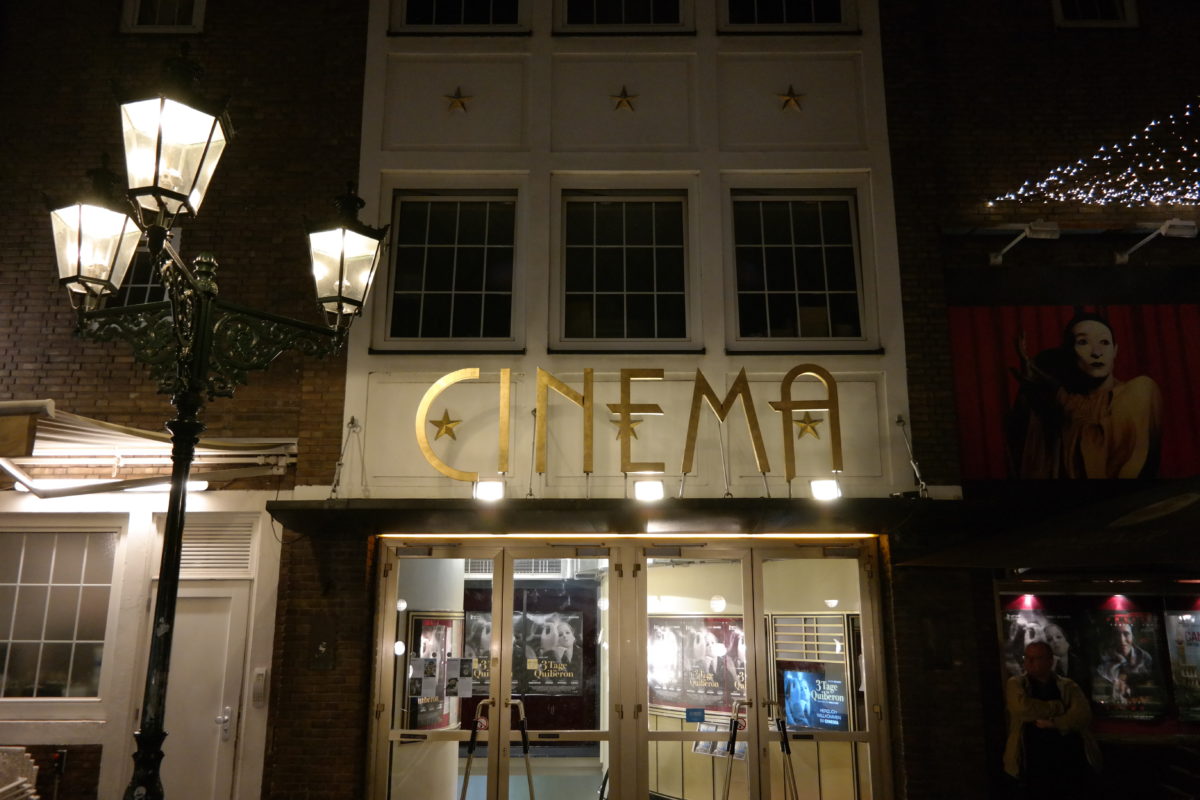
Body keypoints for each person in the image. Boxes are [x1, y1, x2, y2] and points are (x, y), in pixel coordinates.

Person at [1009, 312, 1161, 479]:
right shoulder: (1060, 403)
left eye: (1104, 342)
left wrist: (1056, 391)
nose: (1096, 352)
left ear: (1115, 350)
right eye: (1083, 342)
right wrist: (1029, 393)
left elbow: (1106, 453)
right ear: (1069, 352)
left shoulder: (1140, 390)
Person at [1005, 641, 1099, 799]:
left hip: (1067, 761)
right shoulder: (1017, 684)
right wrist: (1059, 707)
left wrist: (1055, 723)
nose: (1029, 662)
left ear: (1050, 661)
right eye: (1027, 657)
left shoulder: (1068, 686)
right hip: (1032, 762)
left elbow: (1082, 716)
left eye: (1036, 658)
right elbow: (1023, 709)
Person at [1095, 622, 1153, 700]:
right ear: (1113, 637)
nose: (1122, 640)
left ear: (1133, 636)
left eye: (1126, 634)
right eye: (1117, 634)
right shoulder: (1104, 659)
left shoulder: (1144, 658)